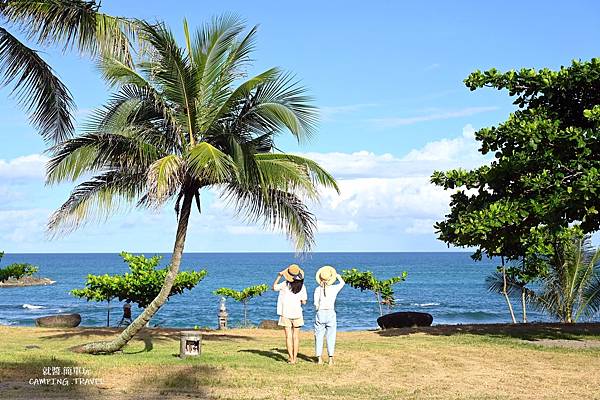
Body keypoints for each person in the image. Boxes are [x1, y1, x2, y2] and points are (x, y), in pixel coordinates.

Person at [272, 264, 307, 364]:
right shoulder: (302, 286)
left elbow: (274, 287)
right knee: (296, 337)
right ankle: (295, 358)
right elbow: (304, 301)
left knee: (288, 337)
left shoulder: (285, 284)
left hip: (286, 313)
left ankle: (291, 358)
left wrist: (279, 275)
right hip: (297, 313)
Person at [313, 265, 344, 366]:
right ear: (331, 278)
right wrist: (337, 276)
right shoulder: (334, 288)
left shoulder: (318, 289)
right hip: (331, 312)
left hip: (320, 313)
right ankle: (330, 359)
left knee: (319, 336)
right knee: (331, 336)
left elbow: (315, 304)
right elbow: (342, 283)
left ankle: (319, 359)